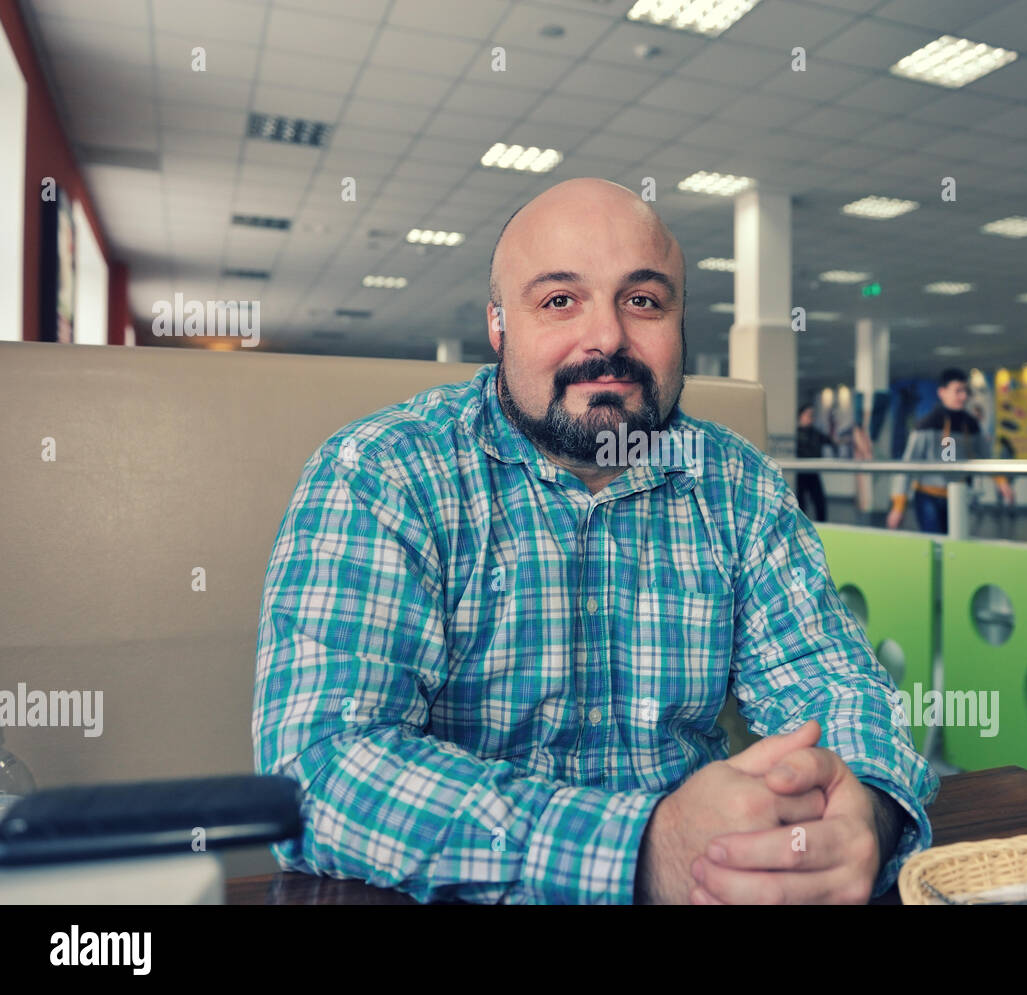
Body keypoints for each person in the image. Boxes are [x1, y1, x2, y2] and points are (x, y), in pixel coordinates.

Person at [253, 177, 936, 906]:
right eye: (558, 300)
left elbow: (836, 687)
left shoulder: (739, 483)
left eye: (643, 300)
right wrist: (644, 849)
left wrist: (867, 808)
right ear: (498, 326)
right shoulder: (383, 472)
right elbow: (319, 772)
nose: (608, 337)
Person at [886, 369, 1011, 534]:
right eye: (957, 391)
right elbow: (908, 464)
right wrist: (899, 505)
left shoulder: (971, 425)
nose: (963, 396)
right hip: (928, 496)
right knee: (936, 542)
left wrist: (1001, 482)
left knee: (957, 543)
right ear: (942, 392)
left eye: (965, 391)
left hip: (959, 495)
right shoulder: (926, 425)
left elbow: (986, 456)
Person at [795, 403, 832, 522]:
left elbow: (831, 440)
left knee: (819, 501)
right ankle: (800, 526)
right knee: (801, 502)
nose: (811, 417)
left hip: (813, 471)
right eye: (808, 415)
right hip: (800, 472)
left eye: (812, 415)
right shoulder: (795, 434)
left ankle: (823, 526)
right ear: (801, 416)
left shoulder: (816, 433)